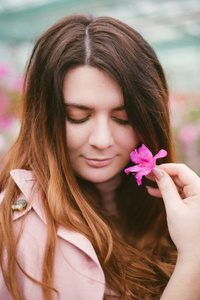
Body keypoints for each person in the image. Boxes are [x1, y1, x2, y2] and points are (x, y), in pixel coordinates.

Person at [0, 14, 200, 300]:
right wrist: (194, 261)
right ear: (43, 118)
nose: (102, 141)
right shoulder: (17, 230)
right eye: (78, 117)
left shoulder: (167, 209)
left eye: (123, 118)